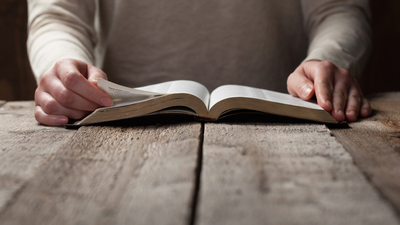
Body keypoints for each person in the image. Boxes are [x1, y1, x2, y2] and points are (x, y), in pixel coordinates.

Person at [27, 0, 372, 126]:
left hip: (291, 120)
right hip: (115, 119)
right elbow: (58, 17)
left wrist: (328, 60)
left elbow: (338, 10)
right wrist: (63, 69)